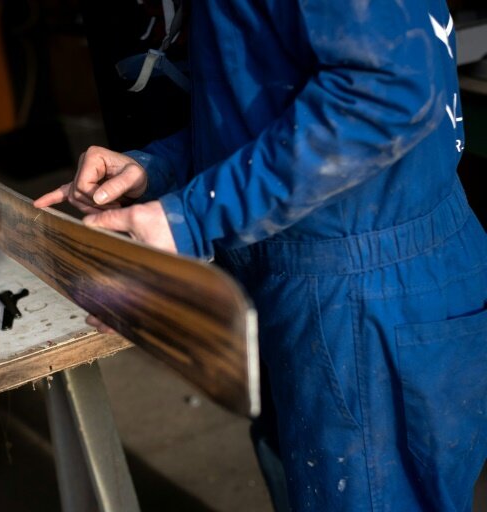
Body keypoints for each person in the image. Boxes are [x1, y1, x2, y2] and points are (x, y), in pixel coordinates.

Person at [35, 1, 487, 511]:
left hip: (365, 291)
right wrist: (154, 169)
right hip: (303, 278)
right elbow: (270, 106)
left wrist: (192, 217)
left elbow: (385, 94)